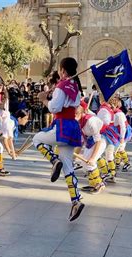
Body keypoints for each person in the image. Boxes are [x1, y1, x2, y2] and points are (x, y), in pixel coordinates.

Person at [32, 57, 84, 221]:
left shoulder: (62, 86)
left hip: (61, 126)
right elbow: (73, 105)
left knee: (37, 139)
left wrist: (43, 99)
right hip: (72, 127)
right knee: (68, 166)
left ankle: (54, 160)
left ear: (62, 70)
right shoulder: (75, 86)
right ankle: (76, 200)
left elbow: (54, 107)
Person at [75, 101, 106, 194]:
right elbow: (80, 141)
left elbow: (98, 141)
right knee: (84, 164)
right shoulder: (77, 122)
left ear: (82, 112)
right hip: (90, 141)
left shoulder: (90, 121)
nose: (74, 116)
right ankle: (93, 184)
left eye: (76, 113)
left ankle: (99, 184)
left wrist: (92, 158)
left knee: (90, 163)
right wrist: (73, 157)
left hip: (100, 141)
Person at [113, 96, 132, 172]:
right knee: (117, 148)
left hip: (123, 132)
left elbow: (123, 127)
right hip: (118, 132)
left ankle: (127, 163)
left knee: (120, 148)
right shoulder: (115, 112)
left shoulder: (119, 114)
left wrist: (122, 137)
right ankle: (117, 163)